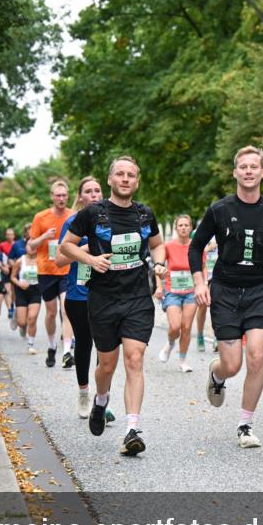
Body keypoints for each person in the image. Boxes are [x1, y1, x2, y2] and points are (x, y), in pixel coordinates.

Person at [188, 146, 263, 449]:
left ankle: (245, 424)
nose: (248, 171)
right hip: (225, 292)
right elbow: (196, 247)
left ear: (262, 172)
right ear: (235, 173)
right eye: (243, 167)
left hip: (259, 292)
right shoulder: (219, 210)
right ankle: (217, 376)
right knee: (232, 365)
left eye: (254, 166)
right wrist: (199, 282)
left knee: (256, 356)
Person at [61, 155, 166, 456]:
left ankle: (132, 429)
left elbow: (157, 244)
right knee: (106, 364)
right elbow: (66, 245)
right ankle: (101, 400)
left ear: (136, 180)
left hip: (136, 299)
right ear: (110, 179)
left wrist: (159, 264)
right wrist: (90, 259)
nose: (124, 179)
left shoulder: (145, 215)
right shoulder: (93, 214)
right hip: (103, 299)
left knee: (134, 359)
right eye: (119, 174)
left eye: (130, 175)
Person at [54, 176, 110, 418]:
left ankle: (102, 401)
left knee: (106, 349)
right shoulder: (72, 222)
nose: (94, 194)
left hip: (107, 293)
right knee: (84, 344)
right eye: (88, 191)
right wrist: (87, 248)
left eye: (98, 190)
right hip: (78, 295)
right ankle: (84, 394)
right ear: (80, 197)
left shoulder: (109, 221)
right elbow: (60, 259)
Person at [28, 180, 75, 370]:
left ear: (68, 196)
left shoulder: (72, 216)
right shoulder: (41, 217)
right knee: (51, 313)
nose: (61, 198)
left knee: (66, 310)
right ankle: (51, 345)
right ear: (52, 196)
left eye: (64, 195)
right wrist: (44, 237)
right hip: (46, 270)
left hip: (66, 269)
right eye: (58, 195)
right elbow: (31, 245)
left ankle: (66, 351)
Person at [156, 215, 200, 373]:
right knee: (175, 327)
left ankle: (182, 360)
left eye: (186, 225)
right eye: (180, 225)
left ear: (190, 227)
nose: (183, 228)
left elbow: (202, 266)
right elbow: (159, 267)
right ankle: (170, 343)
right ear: (176, 228)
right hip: (172, 290)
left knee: (186, 327)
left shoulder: (196, 246)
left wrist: (204, 285)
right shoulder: (168, 246)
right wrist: (159, 287)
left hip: (191, 292)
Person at [10, 242, 42, 354]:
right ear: (26, 247)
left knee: (32, 318)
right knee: (22, 323)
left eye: (34, 246)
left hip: (36, 291)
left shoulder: (41, 260)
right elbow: (12, 277)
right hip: (21, 291)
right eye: (29, 245)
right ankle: (17, 316)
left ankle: (31, 344)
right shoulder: (20, 261)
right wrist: (19, 283)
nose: (32, 248)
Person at [194, 240, 217, 352]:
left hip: (217, 275)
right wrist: (206, 249)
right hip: (202, 275)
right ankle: (200, 336)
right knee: (202, 306)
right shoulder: (197, 233)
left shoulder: (224, 229)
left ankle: (218, 337)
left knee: (217, 306)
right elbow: (193, 251)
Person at [0, 227, 16, 320]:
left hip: (15, 270)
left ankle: (12, 305)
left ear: (14, 236)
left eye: (11, 234)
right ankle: (9, 309)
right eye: (8, 234)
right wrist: (3, 266)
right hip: (6, 270)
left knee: (14, 291)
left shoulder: (17, 245)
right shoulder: (2, 245)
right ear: (5, 236)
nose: (10, 236)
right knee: (7, 290)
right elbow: (0, 257)